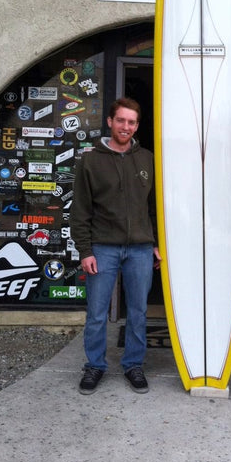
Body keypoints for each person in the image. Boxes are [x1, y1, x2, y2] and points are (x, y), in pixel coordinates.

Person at [70, 97, 161, 395]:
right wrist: (85, 250)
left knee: (138, 311)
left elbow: (154, 208)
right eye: (121, 120)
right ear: (110, 121)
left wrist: (156, 243)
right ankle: (94, 366)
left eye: (131, 122)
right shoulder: (90, 161)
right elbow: (81, 210)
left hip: (140, 249)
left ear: (137, 125)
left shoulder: (147, 158)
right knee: (97, 312)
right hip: (103, 248)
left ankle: (133, 364)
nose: (126, 127)